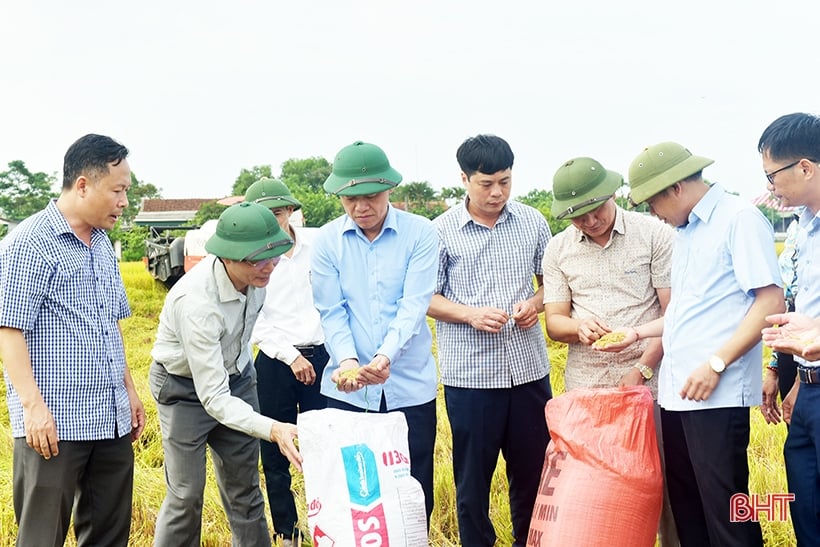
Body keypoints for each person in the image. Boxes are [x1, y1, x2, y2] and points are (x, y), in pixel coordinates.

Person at [614, 141, 784, 547]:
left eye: (652, 203)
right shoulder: (686, 231)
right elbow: (689, 312)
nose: (654, 214)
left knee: (727, 514)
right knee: (689, 511)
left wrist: (717, 364)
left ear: (674, 188)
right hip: (677, 394)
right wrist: (637, 334)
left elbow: (769, 301)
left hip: (716, 395)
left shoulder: (739, 219)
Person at [0, 133, 146, 546]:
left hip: (110, 417)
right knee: (42, 536)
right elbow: (9, 330)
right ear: (83, 185)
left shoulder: (102, 243)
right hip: (54, 425)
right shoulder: (29, 244)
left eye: (127, 192)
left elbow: (111, 324)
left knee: (108, 534)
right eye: (118, 191)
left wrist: (129, 390)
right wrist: (33, 408)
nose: (124, 202)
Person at [542, 156, 678, 546]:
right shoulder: (558, 249)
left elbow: (674, 314)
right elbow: (555, 322)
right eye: (576, 217)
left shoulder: (653, 234)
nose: (588, 222)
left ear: (613, 194)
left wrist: (643, 370)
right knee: (595, 494)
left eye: (594, 211)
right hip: (588, 393)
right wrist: (577, 327)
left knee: (663, 485)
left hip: (649, 388)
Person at [149, 201, 302, 547]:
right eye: (258, 259)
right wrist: (273, 428)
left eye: (274, 256)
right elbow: (213, 397)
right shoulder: (196, 303)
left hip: (237, 378)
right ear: (228, 257)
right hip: (183, 389)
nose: (269, 267)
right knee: (186, 495)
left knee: (245, 488)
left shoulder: (259, 277)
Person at [427, 134, 552, 547]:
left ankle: (530, 541)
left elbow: (552, 283)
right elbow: (425, 297)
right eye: (486, 184)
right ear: (464, 179)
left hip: (529, 372)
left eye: (505, 181)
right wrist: (470, 315)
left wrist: (535, 304)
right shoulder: (440, 232)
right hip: (472, 378)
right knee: (473, 480)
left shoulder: (532, 221)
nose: (497, 192)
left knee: (534, 474)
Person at [311, 140, 439, 524]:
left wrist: (384, 358)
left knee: (414, 493)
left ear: (389, 189)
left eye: (370, 196)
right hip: (348, 391)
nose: (361, 207)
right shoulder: (327, 242)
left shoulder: (421, 234)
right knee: (355, 497)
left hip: (409, 386)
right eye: (350, 199)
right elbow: (332, 312)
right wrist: (350, 363)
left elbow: (413, 305)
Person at [245, 178, 327, 547]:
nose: (273, 220)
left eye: (278, 212)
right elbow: (253, 318)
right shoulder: (247, 256)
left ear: (291, 211)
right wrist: (289, 355)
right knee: (277, 451)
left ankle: (328, 526)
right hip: (276, 362)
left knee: (324, 445)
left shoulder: (319, 246)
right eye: (264, 214)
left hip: (322, 358)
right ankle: (287, 533)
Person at [757, 111, 820, 543]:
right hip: (810, 384)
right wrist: (794, 373)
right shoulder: (804, 231)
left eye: (772, 175)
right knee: (807, 505)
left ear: (805, 167)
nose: (770, 187)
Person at [762, 214, 800, 426]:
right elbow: (789, 303)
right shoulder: (797, 224)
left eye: (772, 177)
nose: (770, 186)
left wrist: (803, 382)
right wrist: (774, 370)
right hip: (792, 344)